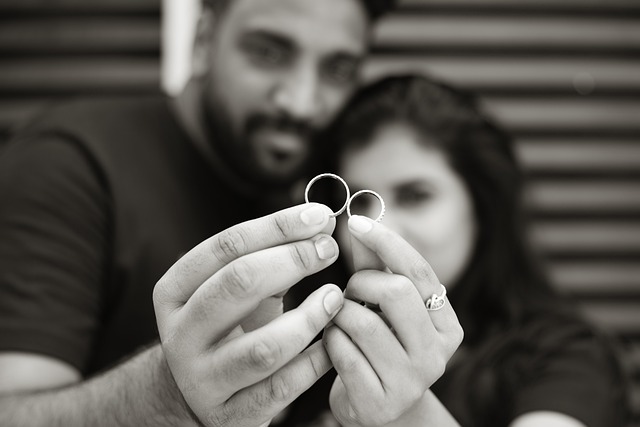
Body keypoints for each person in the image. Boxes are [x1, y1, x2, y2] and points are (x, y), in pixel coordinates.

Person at [0, 1, 465, 426]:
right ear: (202, 41)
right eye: (268, 52)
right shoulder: (67, 166)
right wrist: (169, 395)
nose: (301, 103)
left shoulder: (325, 180)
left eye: (337, 70)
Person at [290, 74, 629, 426]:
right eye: (358, 204)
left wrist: (408, 412)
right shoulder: (311, 346)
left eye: (416, 196)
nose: (379, 228)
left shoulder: (566, 360)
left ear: (481, 208)